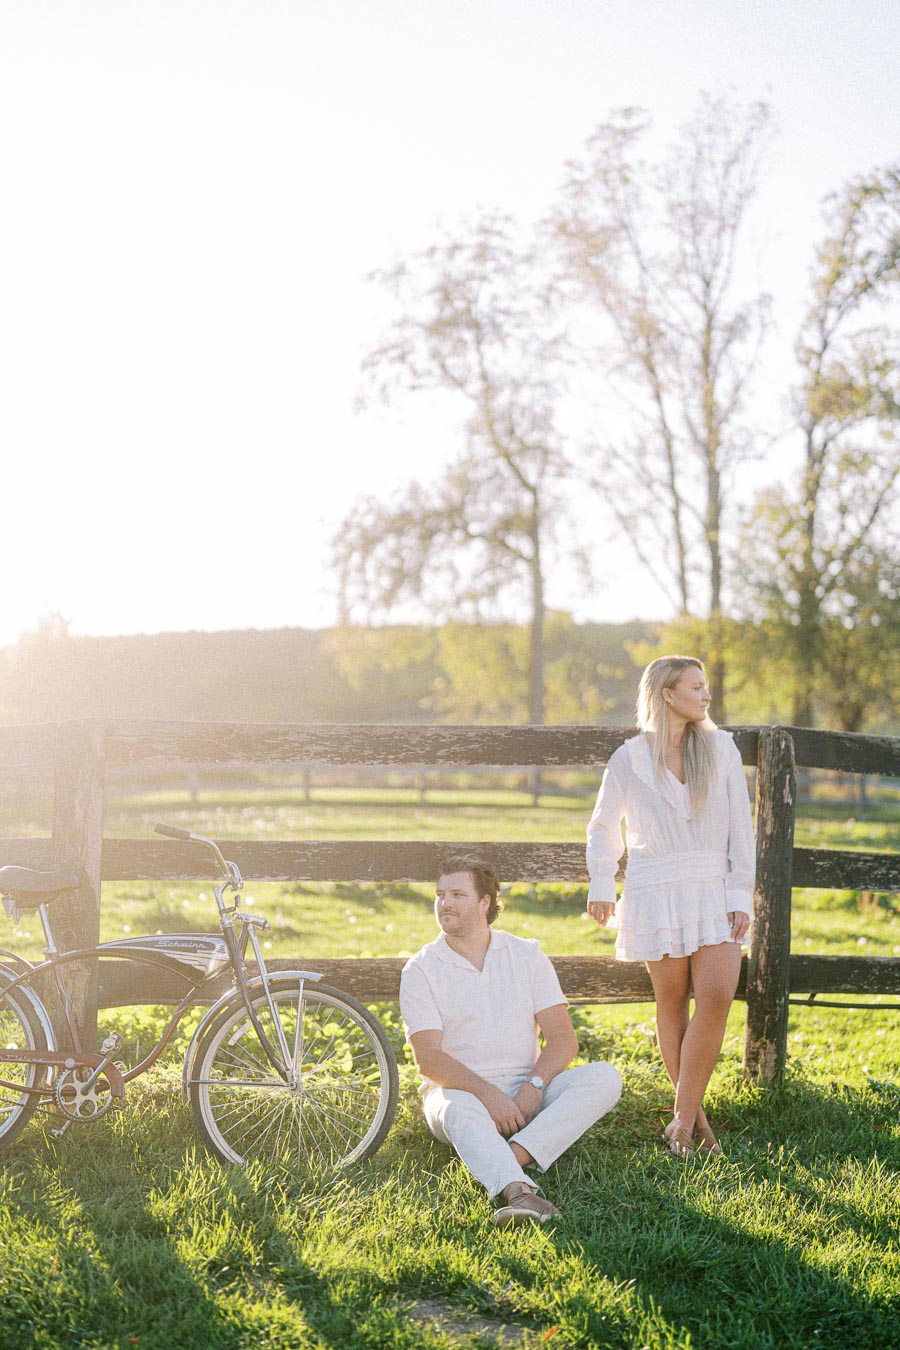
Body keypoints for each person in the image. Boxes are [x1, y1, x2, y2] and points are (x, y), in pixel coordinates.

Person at [585, 656, 755, 1158]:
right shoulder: (629, 757)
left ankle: (680, 1118)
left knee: (719, 994)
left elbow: (740, 831)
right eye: (697, 687)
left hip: (712, 884)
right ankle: (693, 1124)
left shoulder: (721, 748)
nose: (706, 696)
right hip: (654, 888)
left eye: (706, 688)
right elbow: (602, 826)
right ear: (667, 694)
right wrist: (601, 883)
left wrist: (740, 893)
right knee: (672, 1002)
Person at [400, 854, 622, 1227]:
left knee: (604, 1077)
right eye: (440, 895)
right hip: (461, 1092)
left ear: (485, 902)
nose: (445, 904)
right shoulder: (421, 968)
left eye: (457, 894)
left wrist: (534, 1086)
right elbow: (429, 1061)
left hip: (526, 1089)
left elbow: (563, 1039)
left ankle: (512, 1152)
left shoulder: (527, 954)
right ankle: (519, 1192)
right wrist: (491, 1097)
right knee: (455, 1109)